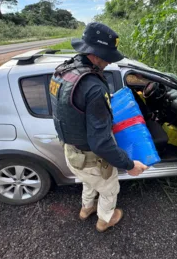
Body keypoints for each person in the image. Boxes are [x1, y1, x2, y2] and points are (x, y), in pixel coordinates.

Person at [49, 22, 148, 232]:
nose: (108, 62)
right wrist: (130, 165)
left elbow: (70, 109)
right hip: (92, 158)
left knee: (88, 182)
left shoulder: (64, 70)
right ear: (94, 54)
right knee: (110, 189)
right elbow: (101, 143)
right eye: (107, 56)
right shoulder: (93, 86)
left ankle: (86, 209)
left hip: (72, 152)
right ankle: (105, 220)